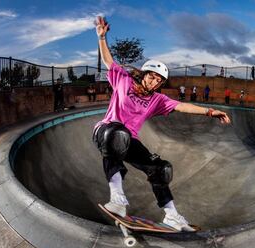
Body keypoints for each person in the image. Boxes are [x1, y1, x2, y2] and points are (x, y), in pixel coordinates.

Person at [93, 16, 231, 232]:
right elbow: (109, 61)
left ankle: (172, 215)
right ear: (145, 74)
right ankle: (118, 199)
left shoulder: (158, 100)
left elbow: (181, 106)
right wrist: (102, 38)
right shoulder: (124, 79)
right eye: (152, 77)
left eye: (159, 81)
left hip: (130, 140)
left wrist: (210, 112)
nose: (154, 82)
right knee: (118, 135)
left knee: (161, 169)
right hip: (106, 130)